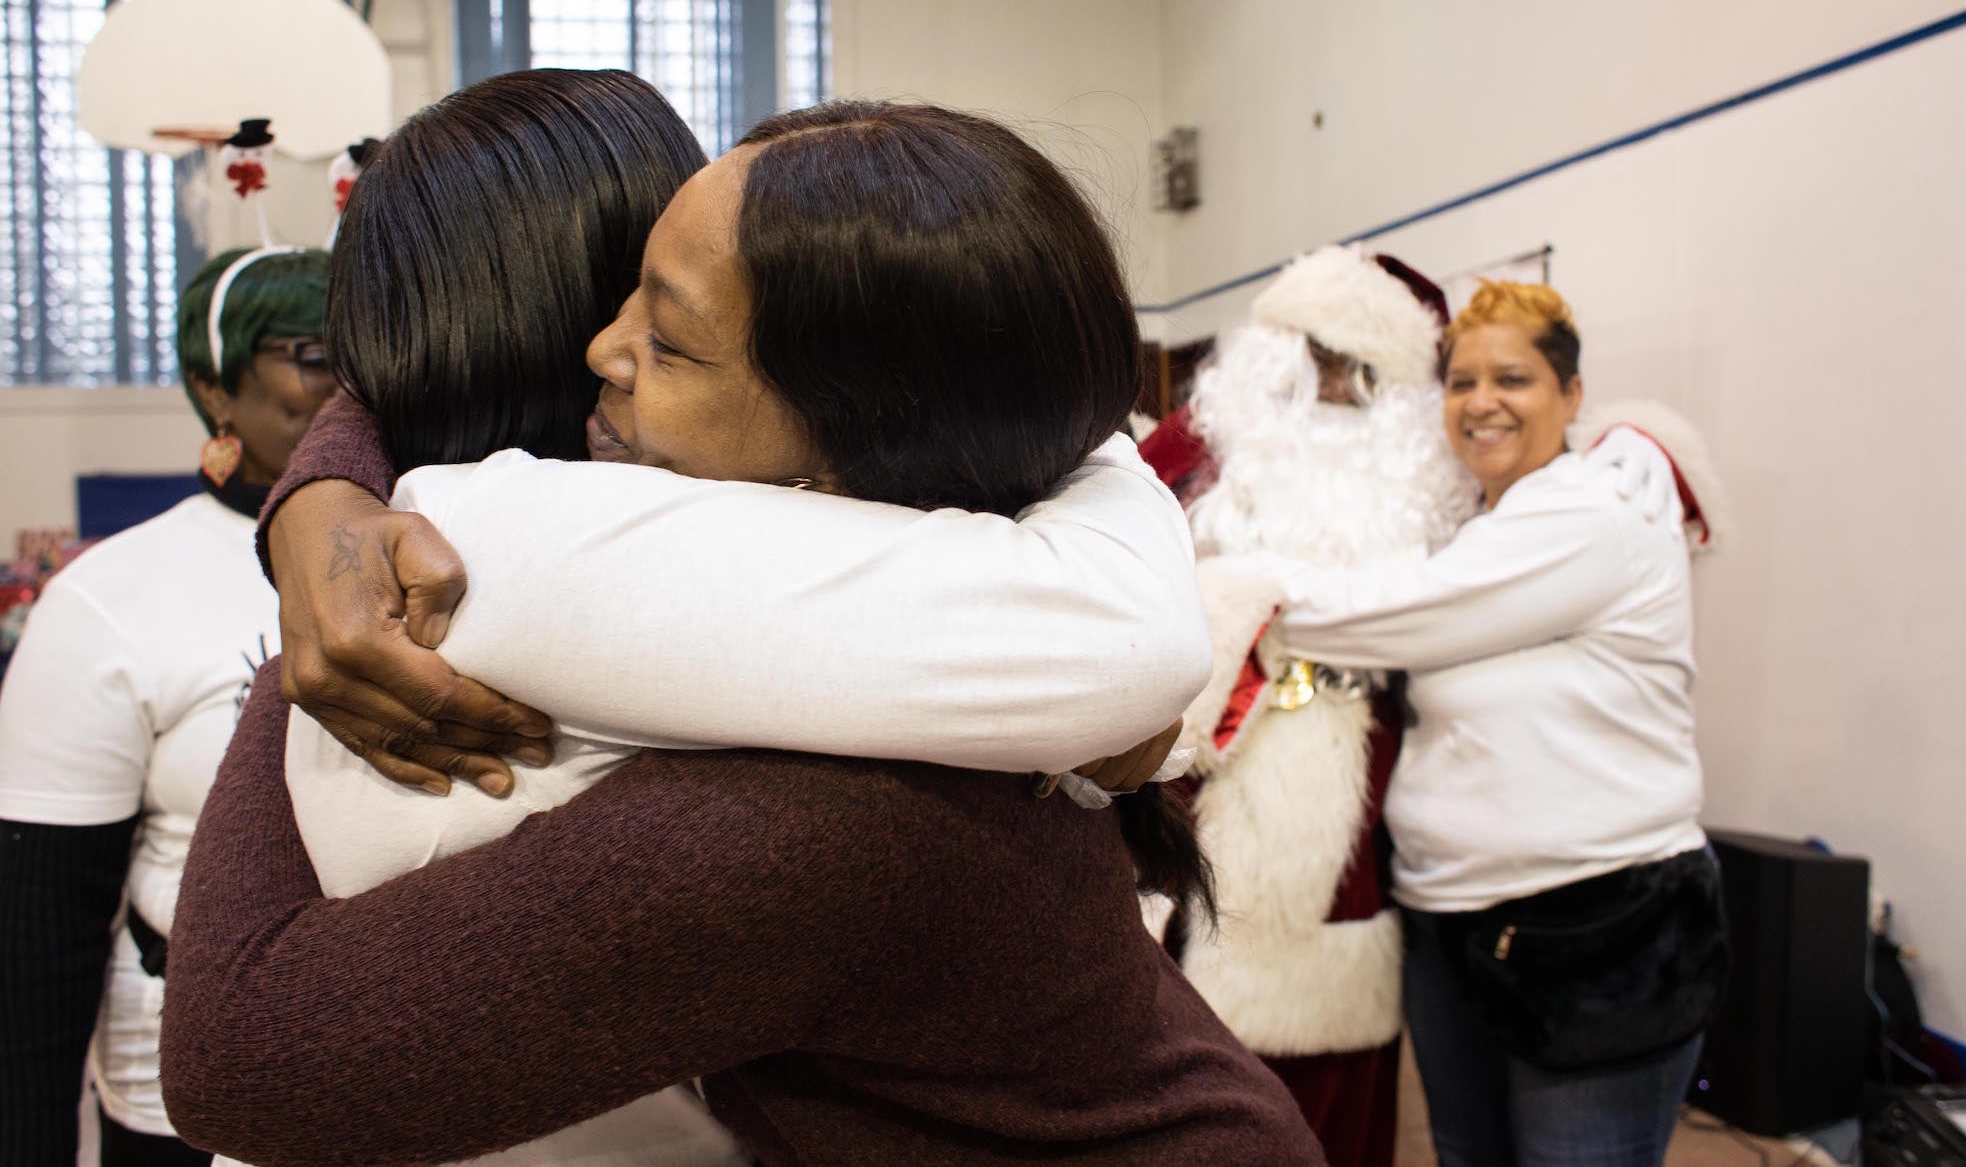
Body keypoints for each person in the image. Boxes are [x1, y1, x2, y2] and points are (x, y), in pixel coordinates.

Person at [161, 93, 1321, 1164]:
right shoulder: (959, 557)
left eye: (668, 337)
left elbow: (238, 1062)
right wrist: (324, 494)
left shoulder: (802, 809)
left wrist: (317, 610)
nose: (606, 351)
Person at [1217, 279, 1726, 1167]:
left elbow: (1404, 609)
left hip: (1597, 927)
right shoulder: (1473, 519)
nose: (1483, 402)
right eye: (1461, 382)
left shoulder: (1594, 510)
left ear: (1572, 396)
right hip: (1450, 919)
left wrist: (1230, 595)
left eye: (1514, 379)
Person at [1137, 244, 1480, 1165]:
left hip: (1356, 799)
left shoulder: (1442, 485)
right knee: (1180, 1057)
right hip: (1198, 782)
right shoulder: (1193, 447)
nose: (1331, 385)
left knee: (1332, 1047)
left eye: (1360, 368)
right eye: (1313, 356)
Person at [0, 246, 334, 1166]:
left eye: (356, 343)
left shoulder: (427, 536)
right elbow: (42, 935)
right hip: (183, 1094)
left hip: (382, 1072)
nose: (340, 377)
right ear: (212, 388)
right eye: (308, 350)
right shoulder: (109, 598)